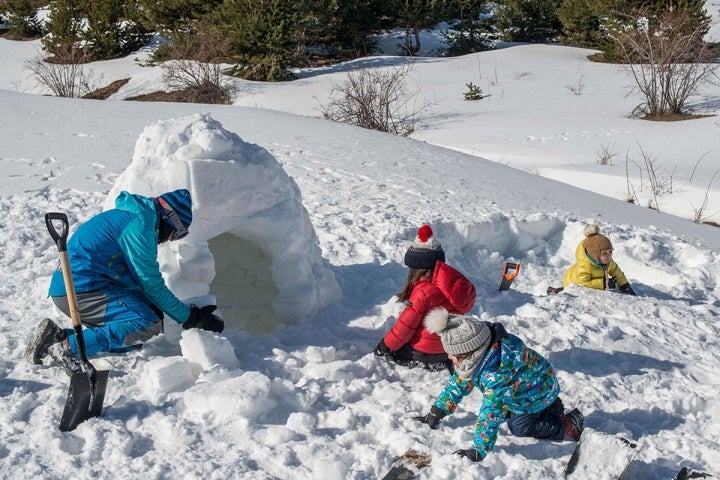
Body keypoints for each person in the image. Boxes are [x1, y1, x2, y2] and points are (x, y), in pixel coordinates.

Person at [26, 189, 224, 375]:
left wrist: (172, 311)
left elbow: (135, 279)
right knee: (144, 323)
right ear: (170, 220)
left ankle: (58, 337)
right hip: (78, 289)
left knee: (144, 327)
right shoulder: (140, 227)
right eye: (178, 233)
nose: (171, 240)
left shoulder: (135, 217)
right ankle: (68, 349)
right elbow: (150, 283)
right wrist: (189, 317)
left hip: (85, 285)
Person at [414, 308, 584, 462]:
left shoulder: (497, 374)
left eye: (453, 355)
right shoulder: (484, 351)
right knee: (507, 411)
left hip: (536, 392)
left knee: (519, 427)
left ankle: (567, 425)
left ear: (470, 355)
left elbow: (491, 412)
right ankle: (550, 407)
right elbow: (459, 383)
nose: (449, 358)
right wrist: (438, 411)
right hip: (528, 383)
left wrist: (479, 449)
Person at [374, 225, 476, 371]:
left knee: (398, 351)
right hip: (448, 350)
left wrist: (384, 347)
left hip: (424, 353)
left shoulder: (423, 290)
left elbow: (405, 328)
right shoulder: (451, 285)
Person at [547, 225, 636, 296]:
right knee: (570, 291)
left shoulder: (608, 261)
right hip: (572, 280)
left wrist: (624, 285)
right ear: (595, 255)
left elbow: (617, 272)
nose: (609, 255)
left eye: (610, 251)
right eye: (604, 253)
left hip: (585, 278)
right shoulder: (585, 266)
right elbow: (582, 282)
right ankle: (555, 291)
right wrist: (603, 283)